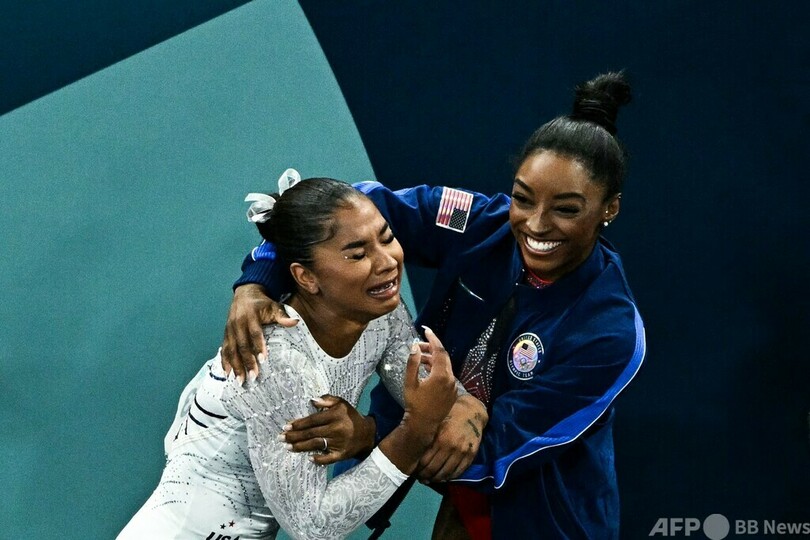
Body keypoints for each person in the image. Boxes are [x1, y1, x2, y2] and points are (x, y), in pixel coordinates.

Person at [223, 72, 646, 539]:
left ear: (610, 208)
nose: (535, 225)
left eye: (566, 209)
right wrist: (257, 282)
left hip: (542, 519)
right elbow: (326, 213)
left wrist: (369, 434)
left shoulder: (609, 331)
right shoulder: (477, 222)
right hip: (462, 507)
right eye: (523, 199)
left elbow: (496, 453)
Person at [118, 176, 476, 539]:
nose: (387, 262)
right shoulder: (280, 360)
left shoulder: (383, 314)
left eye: (387, 239)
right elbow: (313, 527)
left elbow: (435, 396)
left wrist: (466, 406)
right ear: (305, 277)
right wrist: (415, 430)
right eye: (358, 255)